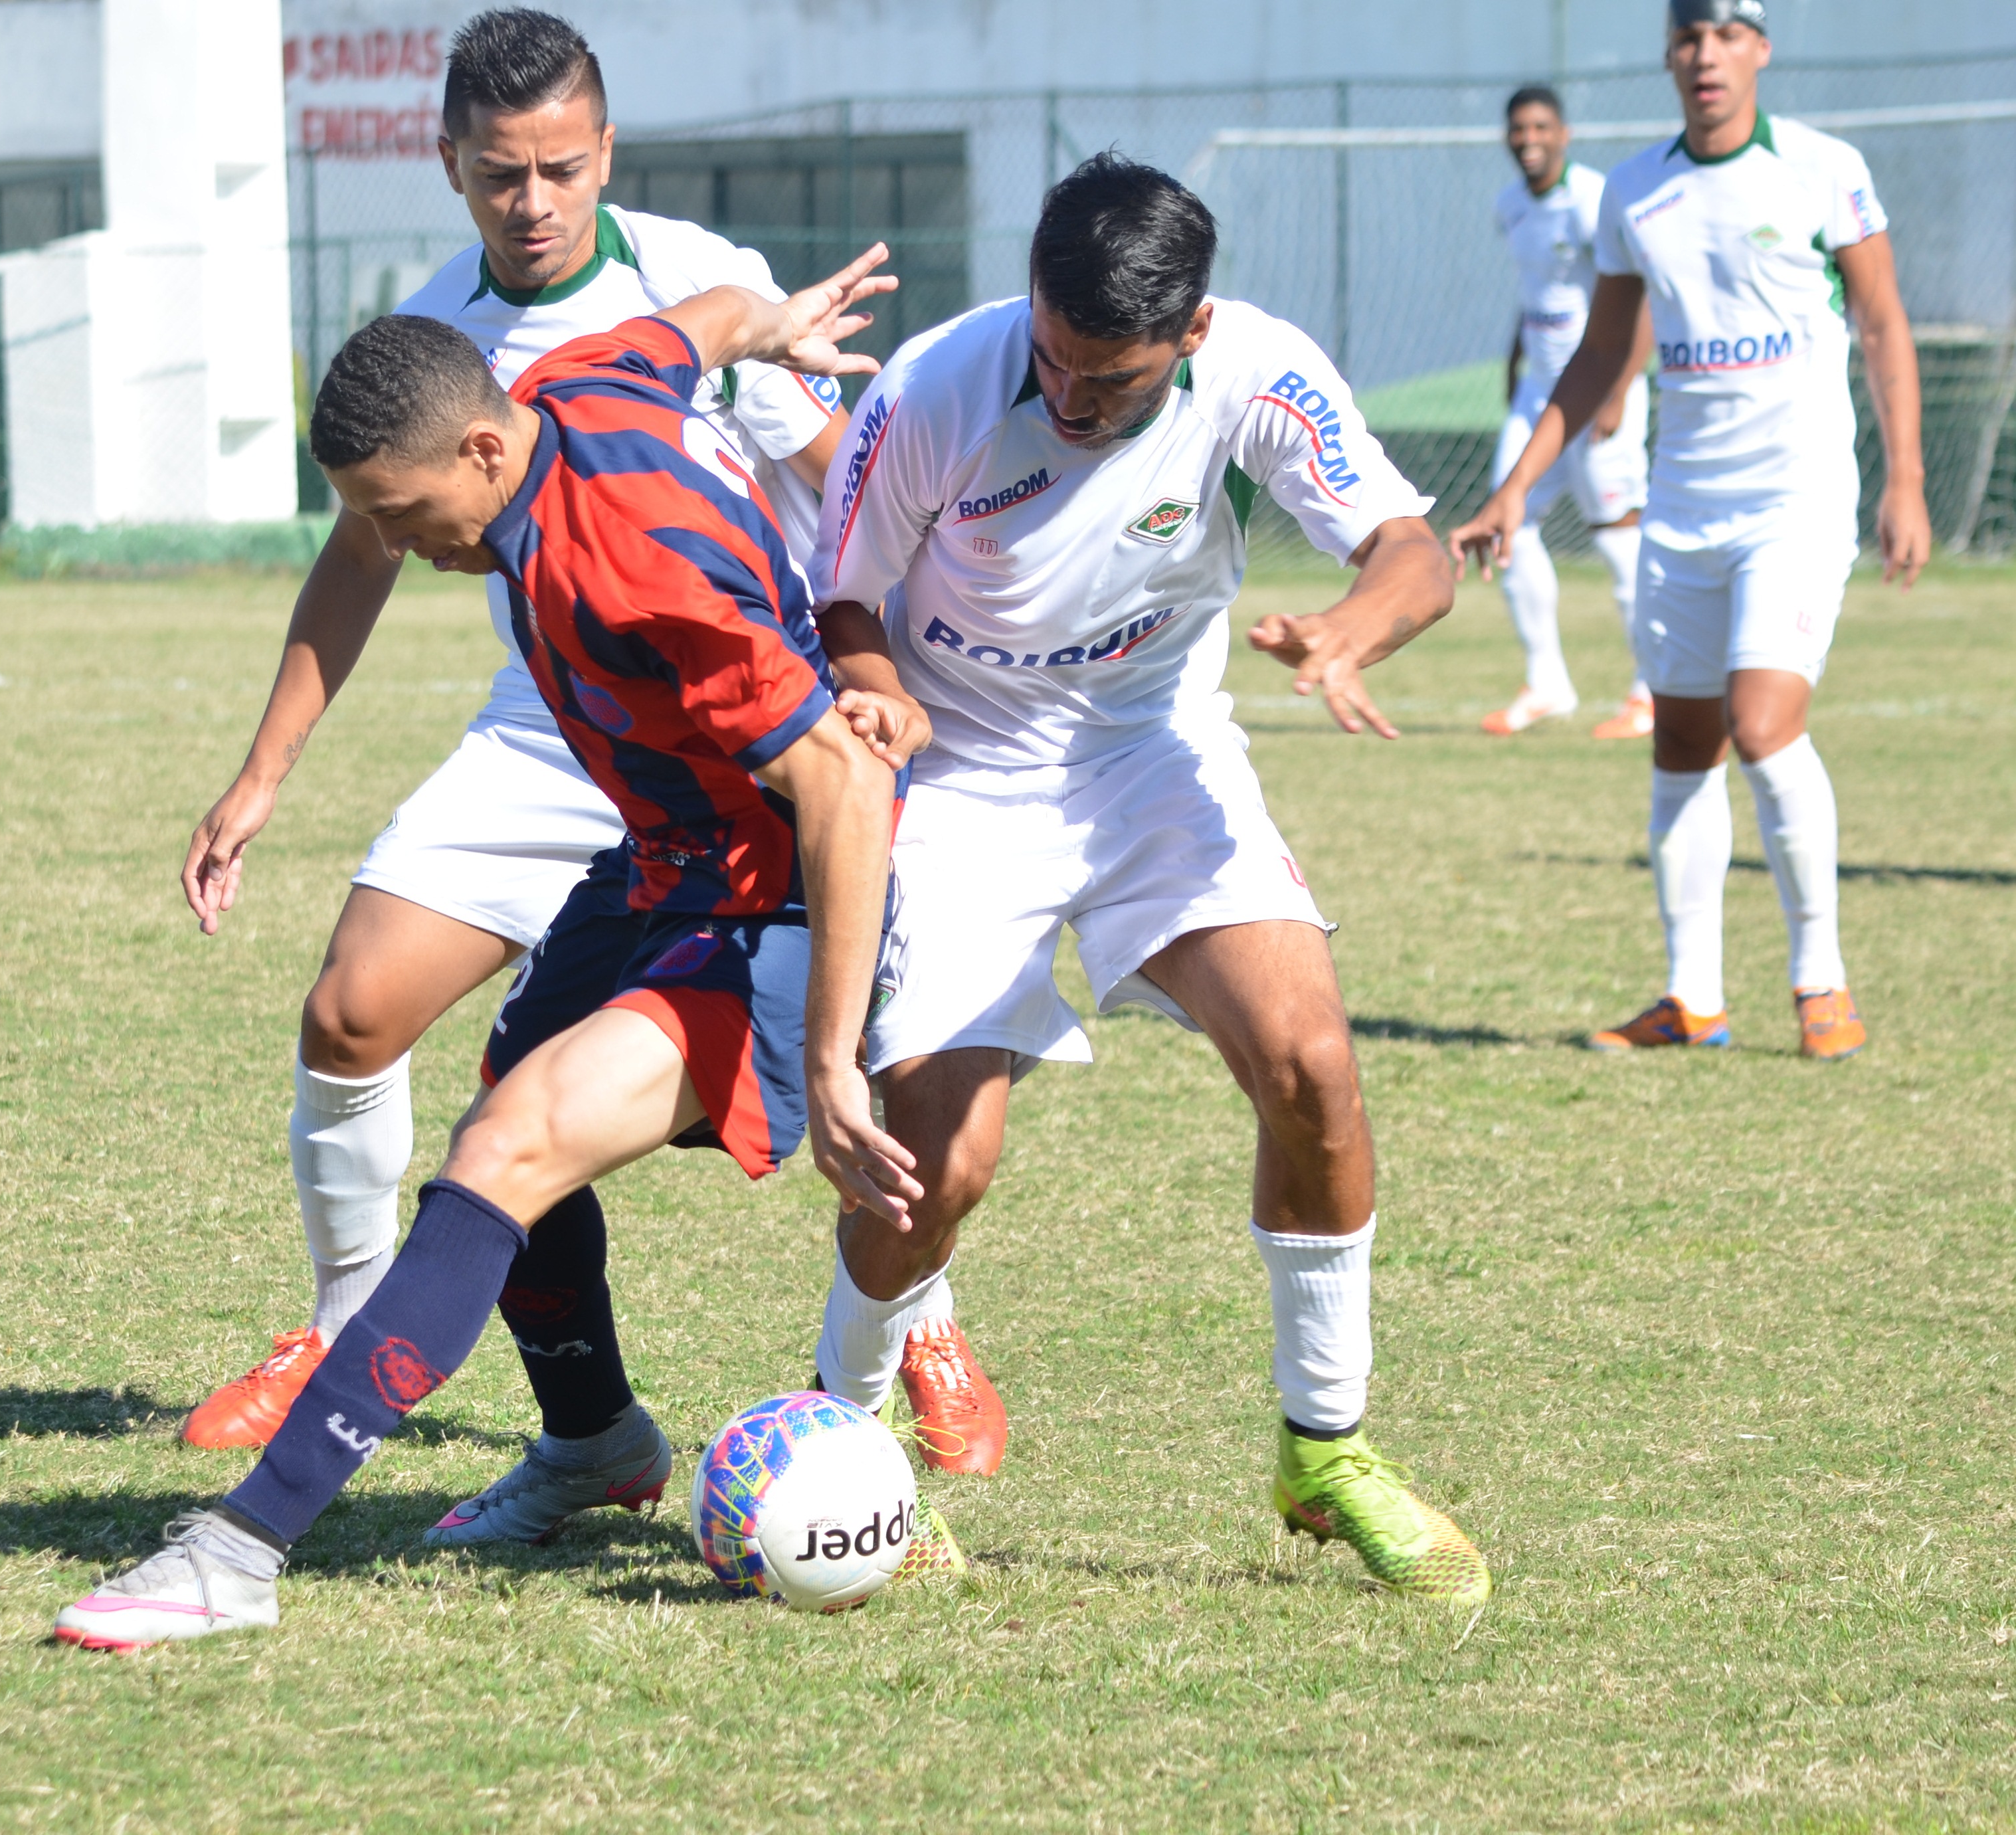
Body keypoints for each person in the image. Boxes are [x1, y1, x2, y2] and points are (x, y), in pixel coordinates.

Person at [178, 11, 998, 1527]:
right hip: (569, 732)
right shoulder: (450, 347)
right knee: (378, 1026)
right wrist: (263, 770)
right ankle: (405, 1359)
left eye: (560, 168)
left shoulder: (678, 294)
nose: (533, 200)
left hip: (739, 731)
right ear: (450, 167)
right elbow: (365, 551)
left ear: (604, 152)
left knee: (846, 1064)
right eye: (501, 174)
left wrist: (881, 676)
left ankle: (905, 1324)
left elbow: (840, 497)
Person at [55, 253, 917, 1650]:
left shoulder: (635, 564)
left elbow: (846, 783)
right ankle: (594, 1442)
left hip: (773, 900)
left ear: (477, 448)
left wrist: (831, 1060)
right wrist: (768, 324)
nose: (398, 545)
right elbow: (691, 325)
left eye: (402, 514)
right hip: (661, 862)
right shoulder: (573, 384)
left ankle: (238, 1551)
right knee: (499, 1125)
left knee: (508, 1148)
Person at [801, 153, 1490, 1599]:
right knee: (938, 1161)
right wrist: (885, 696)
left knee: (1311, 1064)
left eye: (1107, 381)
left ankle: (1325, 1449)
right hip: (960, 772)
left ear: (1191, 332)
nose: (1068, 398)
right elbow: (843, 597)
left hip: (1153, 756)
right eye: (1051, 358)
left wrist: (1353, 630)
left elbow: (1412, 551)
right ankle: (841, 1441)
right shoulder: (933, 388)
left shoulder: (1258, 372)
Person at [1452, 0, 1929, 1060]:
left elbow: (1883, 322)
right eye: (1686, 37)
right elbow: (1599, 353)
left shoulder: (1823, 169)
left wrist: (1905, 479)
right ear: (1669, 56)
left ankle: (1821, 982)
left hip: (1795, 502)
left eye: (1724, 35)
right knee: (1681, 743)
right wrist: (1517, 486)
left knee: (1761, 725)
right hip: (1683, 505)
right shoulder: (1633, 190)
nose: (1704, 54)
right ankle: (1691, 998)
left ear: (1759, 49)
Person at [1482, 84, 1657, 741]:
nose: (1528, 140)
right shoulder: (1509, 206)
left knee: (1617, 535)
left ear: (1563, 134)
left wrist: (1617, 390)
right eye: (1518, 129)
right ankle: (1546, 683)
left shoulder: (1593, 199)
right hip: (1539, 394)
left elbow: (1638, 297)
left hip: (1598, 389)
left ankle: (1651, 691)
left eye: (1540, 128)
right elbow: (1535, 294)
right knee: (1506, 524)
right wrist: (1513, 363)